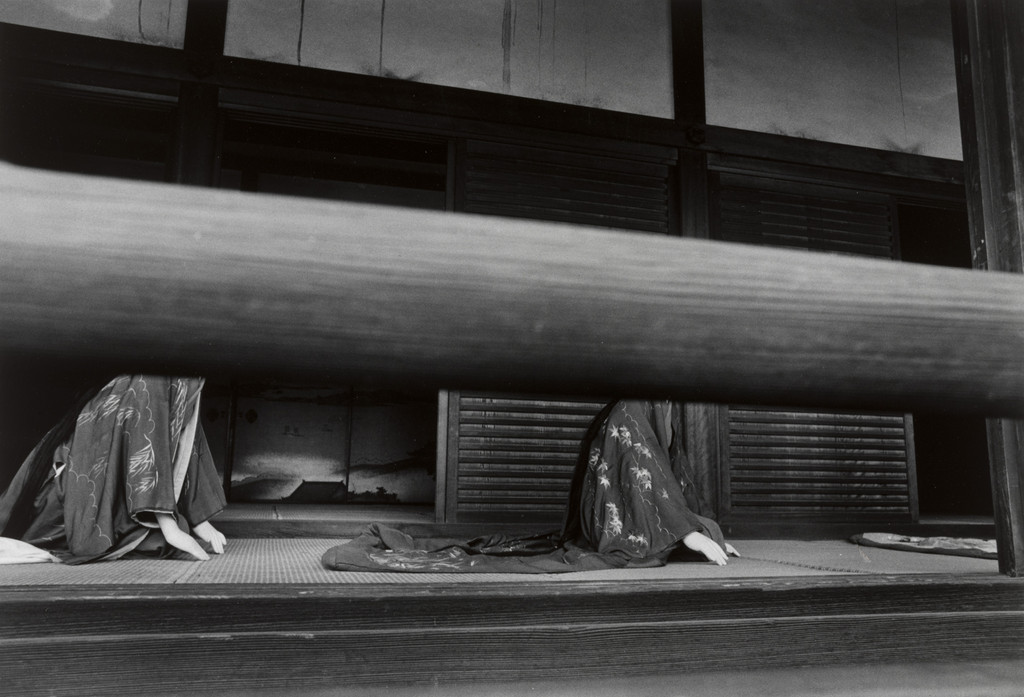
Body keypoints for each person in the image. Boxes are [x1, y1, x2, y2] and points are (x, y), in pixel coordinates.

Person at [322, 398, 737, 573]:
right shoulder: (628, 409)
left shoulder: (665, 406)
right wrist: (685, 531)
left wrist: (697, 527)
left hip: (642, 514)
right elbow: (641, 467)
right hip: (612, 521)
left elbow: (671, 471)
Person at [0, 375, 227, 564]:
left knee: (165, 538)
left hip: (109, 485)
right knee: (163, 540)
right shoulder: (153, 381)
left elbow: (185, 439)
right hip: (73, 489)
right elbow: (148, 441)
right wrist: (170, 528)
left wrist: (198, 520)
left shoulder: (188, 375)